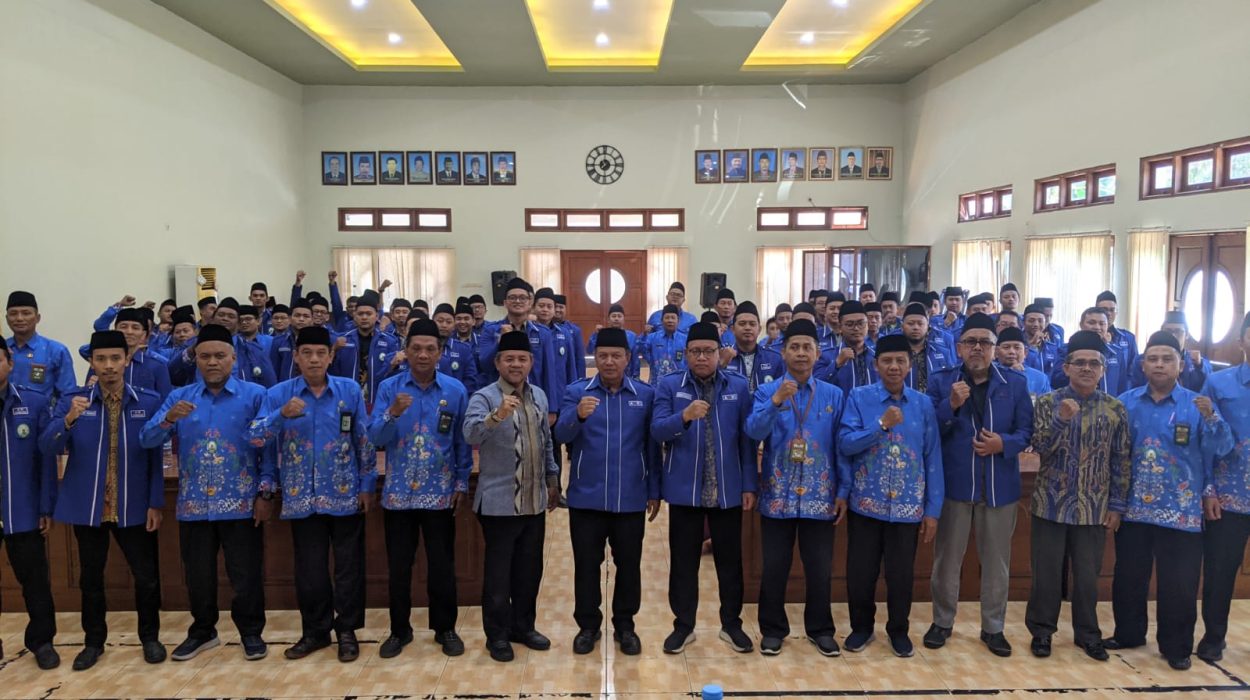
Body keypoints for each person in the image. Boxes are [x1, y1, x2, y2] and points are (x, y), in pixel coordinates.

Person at [139, 324, 271, 662]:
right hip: (194, 504)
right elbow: (147, 439)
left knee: (246, 574)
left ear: (233, 358)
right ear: (195, 359)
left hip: (241, 503)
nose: (212, 362)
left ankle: (251, 632)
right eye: (205, 356)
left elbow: (268, 449)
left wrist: (265, 493)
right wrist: (168, 420)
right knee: (198, 575)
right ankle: (203, 631)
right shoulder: (180, 398)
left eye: (219, 356)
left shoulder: (255, 395)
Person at [248, 326, 376, 663]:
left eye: (321, 353)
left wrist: (367, 484)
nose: (315, 359)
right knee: (310, 570)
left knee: (348, 568)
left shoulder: (349, 390)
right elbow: (256, 438)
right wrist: (280, 415)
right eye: (307, 353)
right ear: (296, 357)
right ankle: (315, 632)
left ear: (331, 357)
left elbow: (363, 440)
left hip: (345, 493)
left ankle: (347, 631)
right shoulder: (278, 394)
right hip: (300, 496)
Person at [1105, 330, 1231, 670]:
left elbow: (1219, 450)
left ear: (1180, 365)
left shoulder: (1198, 404)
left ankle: (1176, 646)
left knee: (1179, 583)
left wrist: (1212, 418)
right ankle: (1129, 633)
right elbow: (1115, 455)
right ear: (1143, 365)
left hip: (1181, 510)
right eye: (1153, 359)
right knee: (1129, 576)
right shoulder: (1125, 403)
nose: (1159, 364)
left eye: (1167, 359)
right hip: (1133, 509)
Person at [41, 331, 166, 670]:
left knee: (146, 576)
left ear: (127, 360)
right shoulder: (74, 400)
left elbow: (155, 458)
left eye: (115, 358)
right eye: (101, 359)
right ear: (92, 363)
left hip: (134, 504)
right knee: (91, 579)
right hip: (89, 506)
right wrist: (68, 420)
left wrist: (155, 502)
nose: (108, 366)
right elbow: (47, 446)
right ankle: (93, 642)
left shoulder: (148, 401)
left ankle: (150, 638)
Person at [924, 314, 1034, 657]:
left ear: (995, 348)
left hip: (1000, 487)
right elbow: (928, 429)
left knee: (997, 562)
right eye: (970, 342)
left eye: (985, 342)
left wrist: (1004, 444)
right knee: (947, 560)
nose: (977, 348)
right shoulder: (942, 381)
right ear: (959, 348)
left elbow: (1026, 431)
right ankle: (942, 622)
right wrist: (951, 406)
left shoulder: (1015, 383)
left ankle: (993, 627)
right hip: (956, 485)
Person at [368, 319, 471, 659]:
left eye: (430, 349)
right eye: (416, 349)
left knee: (442, 565)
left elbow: (461, 442)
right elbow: (374, 437)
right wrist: (392, 413)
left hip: (440, 493)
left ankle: (445, 628)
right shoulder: (390, 389)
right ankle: (399, 630)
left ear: (440, 353)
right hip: (398, 496)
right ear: (406, 351)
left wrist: (461, 481)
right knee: (399, 567)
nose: (423, 355)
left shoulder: (455, 390)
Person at [1026, 330, 1131, 661]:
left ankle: (1088, 634)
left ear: (1102, 369)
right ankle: (1042, 632)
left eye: (1094, 364)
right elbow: (1039, 447)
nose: (1087, 368)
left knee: (1087, 577)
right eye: (1080, 362)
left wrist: (1117, 505)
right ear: (1067, 367)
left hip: (1094, 507)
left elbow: (1121, 459)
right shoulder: (1048, 403)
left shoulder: (1115, 408)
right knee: (1046, 574)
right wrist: (1061, 421)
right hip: (1050, 503)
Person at [652, 322, 757, 655]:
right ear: (685, 354)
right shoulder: (670, 385)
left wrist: (749, 484)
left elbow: (747, 441)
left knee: (730, 562)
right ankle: (683, 626)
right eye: (695, 351)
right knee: (684, 563)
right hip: (685, 490)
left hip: (727, 489)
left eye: (708, 351)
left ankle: (732, 624)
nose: (701, 357)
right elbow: (657, 431)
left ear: (718, 352)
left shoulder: (737, 386)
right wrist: (683, 417)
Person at [555, 328, 659, 655]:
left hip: (630, 496)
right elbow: (560, 435)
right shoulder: (577, 392)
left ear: (628, 358)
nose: (609, 362)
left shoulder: (645, 394)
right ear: (595, 359)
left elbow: (652, 446)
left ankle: (625, 626)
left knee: (628, 565)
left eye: (616, 356)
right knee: (587, 566)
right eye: (603, 356)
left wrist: (654, 490)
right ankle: (588, 626)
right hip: (586, 497)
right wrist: (577, 415)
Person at [839, 333, 943, 657]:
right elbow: (846, 444)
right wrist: (881, 425)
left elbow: (932, 457)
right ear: (876, 365)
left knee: (901, 575)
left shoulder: (923, 404)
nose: (894, 366)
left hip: (908, 507)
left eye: (900, 361)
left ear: (910, 365)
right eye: (887, 361)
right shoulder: (859, 397)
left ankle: (899, 631)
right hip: (865, 505)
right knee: (861, 573)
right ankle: (861, 628)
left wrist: (933, 509)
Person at [747, 319, 847, 656]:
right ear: (783, 352)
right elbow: (754, 432)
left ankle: (821, 630)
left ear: (818, 353)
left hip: (821, 497)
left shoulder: (833, 395)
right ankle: (773, 629)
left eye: (807, 347)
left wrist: (843, 491)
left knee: (819, 568)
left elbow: (841, 447)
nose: (801, 353)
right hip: (778, 496)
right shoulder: (766, 391)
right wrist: (776, 401)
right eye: (794, 347)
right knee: (774, 567)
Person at [464, 331, 559, 663]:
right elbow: (470, 434)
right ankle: (497, 635)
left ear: (530, 362)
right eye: (509, 359)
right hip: (499, 502)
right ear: (497, 363)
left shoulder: (539, 395)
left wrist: (552, 479)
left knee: (529, 571)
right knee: (498, 576)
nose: (516, 364)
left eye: (522, 359)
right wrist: (498, 415)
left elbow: (546, 441)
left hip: (533, 500)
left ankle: (523, 627)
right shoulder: (484, 397)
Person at [0, 342, 60, 669]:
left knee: (35, 579)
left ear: (10, 362)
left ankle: (42, 641)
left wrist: (45, 507)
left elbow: (46, 460)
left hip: (21, 508)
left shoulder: (33, 402)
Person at [1196, 312, 1250, 663]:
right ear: (1242, 339)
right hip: (1229, 497)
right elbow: (1203, 441)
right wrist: (1208, 490)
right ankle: (1214, 638)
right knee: (1219, 572)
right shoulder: (1218, 383)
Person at [329, 289, 402, 411]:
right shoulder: (342, 340)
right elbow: (333, 373)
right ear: (354, 316)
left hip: (378, 402)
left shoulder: (390, 341)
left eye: (368, 314)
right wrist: (333, 350)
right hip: (347, 402)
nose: (364, 317)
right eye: (360, 314)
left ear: (377, 316)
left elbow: (393, 376)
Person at [5, 291, 76, 403]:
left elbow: (67, 395)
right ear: (7, 318)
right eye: (13, 314)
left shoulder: (56, 351)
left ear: (37, 318)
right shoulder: (2, 350)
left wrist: (57, 415)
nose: (19, 318)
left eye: (26, 313)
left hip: (43, 414)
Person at [1050, 307, 1127, 396]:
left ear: (1108, 326)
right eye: (1091, 323)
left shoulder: (1116, 352)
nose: (1097, 327)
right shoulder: (1066, 350)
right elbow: (1056, 381)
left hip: (1108, 403)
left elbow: (1122, 387)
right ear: (1081, 325)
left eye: (1102, 324)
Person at [1129, 311, 1211, 391]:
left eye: (1178, 331)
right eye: (1168, 331)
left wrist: (1200, 365)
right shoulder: (1143, 359)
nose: (1173, 335)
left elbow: (1209, 383)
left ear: (1187, 334)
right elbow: (1135, 389)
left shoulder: (1197, 361)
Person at [720, 301, 782, 393]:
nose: (747, 328)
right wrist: (720, 366)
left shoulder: (774, 358)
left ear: (759, 329)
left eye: (752, 324)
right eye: (742, 323)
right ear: (733, 329)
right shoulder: (723, 357)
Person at [824, 301, 877, 394]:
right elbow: (816, 388)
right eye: (849, 324)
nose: (856, 328)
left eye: (861, 323)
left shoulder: (876, 356)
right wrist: (836, 365)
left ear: (867, 325)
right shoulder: (826, 356)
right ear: (840, 327)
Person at [900, 303, 953, 392]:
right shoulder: (893, 353)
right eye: (910, 324)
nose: (916, 327)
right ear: (902, 327)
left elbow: (950, 382)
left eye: (920, 324)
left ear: (928, 326)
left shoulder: (942, 353)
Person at [996, 327, 1051, 399]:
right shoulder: (989, 375)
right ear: (997, 352)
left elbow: (1047, 405)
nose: (1012, 352)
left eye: (1017, 347)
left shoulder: (1040, 378)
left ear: (1025, 352)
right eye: (1006, 347)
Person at [589, 304, 640, 379]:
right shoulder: (603, 334)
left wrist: (635, 378)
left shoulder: (632, 336)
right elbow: (590, 350)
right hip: (607, 373)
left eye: (619, 316)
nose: (616, 319)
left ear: (624, 319)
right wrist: (595, 335)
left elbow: (635, 359)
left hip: (627, 376)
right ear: (608, 320)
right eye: (613, 316)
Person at [641, 305, 688, 385]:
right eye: (667, 318)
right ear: (661, 320)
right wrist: (644, 336)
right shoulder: (652, 338)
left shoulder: (685, 339)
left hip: (679, 384)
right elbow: (642, 353)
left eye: (673, 318)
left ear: (678, 321)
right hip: (657, 384)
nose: (670, 320)